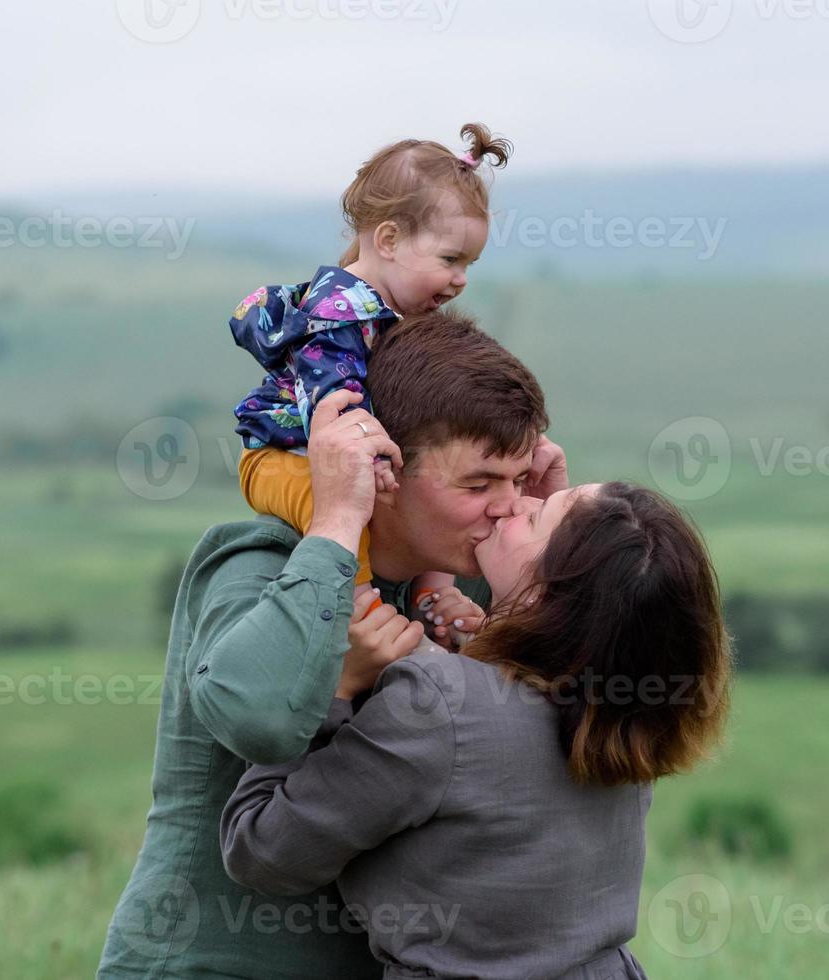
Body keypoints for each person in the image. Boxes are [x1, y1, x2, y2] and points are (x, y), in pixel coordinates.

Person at [97, 310, 565, 979]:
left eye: (518, 482)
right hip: (209, 958)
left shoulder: (436, 586)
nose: (506, 506)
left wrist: (553, 542)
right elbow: (254, 713)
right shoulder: (259, 561)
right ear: (384, 467)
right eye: (479, 483)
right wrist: (340, 515)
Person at [220, 481, 733, 979]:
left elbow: (262, 851)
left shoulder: (439, 700)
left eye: (533, 515)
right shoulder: (621, 708)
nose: (514, 502)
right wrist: (500, 623)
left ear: (548, 593)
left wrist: (330, 689)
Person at [229, 122, 512, 646]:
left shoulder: (386, 312)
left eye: (469, 263)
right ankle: (357, 607)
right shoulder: (338, 316)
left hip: (348, 449)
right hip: (283, 458)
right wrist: (375, 461)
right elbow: (333, 409)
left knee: (423, 501)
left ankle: (429, 591)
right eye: (450, 259)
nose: (461, 279)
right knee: (341, 508)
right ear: (388, 239)